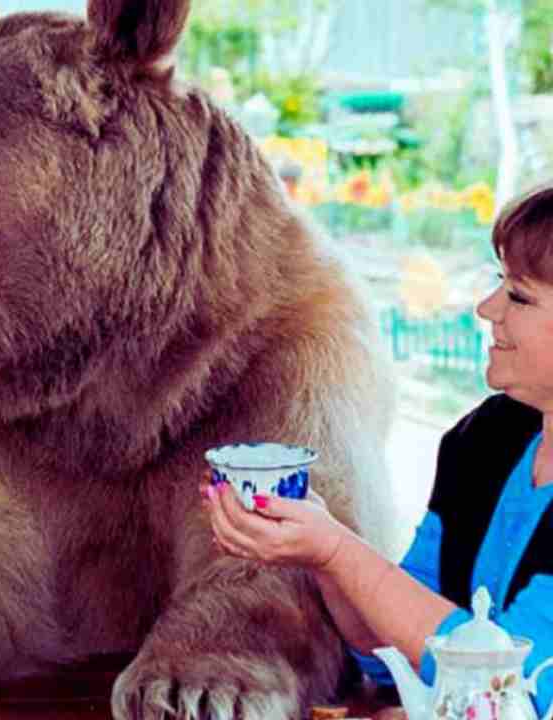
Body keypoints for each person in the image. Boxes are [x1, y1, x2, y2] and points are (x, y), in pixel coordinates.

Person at [203, 182, 553, 712]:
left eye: (519, 295)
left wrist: (338, 549)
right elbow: (386, 648)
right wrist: (321, 550)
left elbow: (516, 682)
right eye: (497, 281)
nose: (487, 308)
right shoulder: (486, 437)